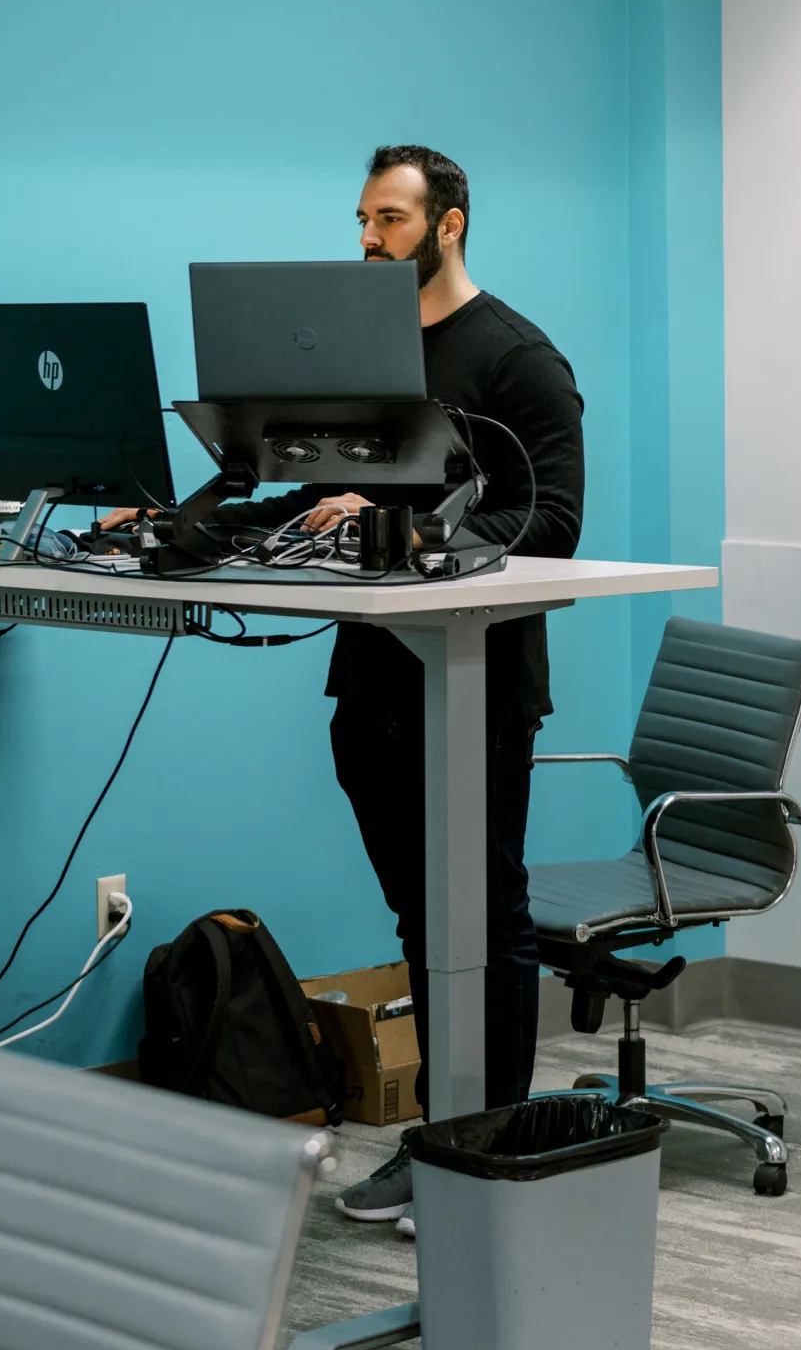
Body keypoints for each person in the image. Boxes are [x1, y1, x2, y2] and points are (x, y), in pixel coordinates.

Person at [128, 145, 585, 1229]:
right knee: (420, 914)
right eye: (363, 219)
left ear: (450, 224)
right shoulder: (364, 356)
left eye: (389, 219)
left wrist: (415, 526)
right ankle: (440, 1140)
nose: (369, 240)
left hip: (475, 674)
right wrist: (171, 518)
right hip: (372, 675)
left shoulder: (518, 360)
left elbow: (555, 526)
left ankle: (489, 1152)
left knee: (486, 914)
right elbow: (291, 475)